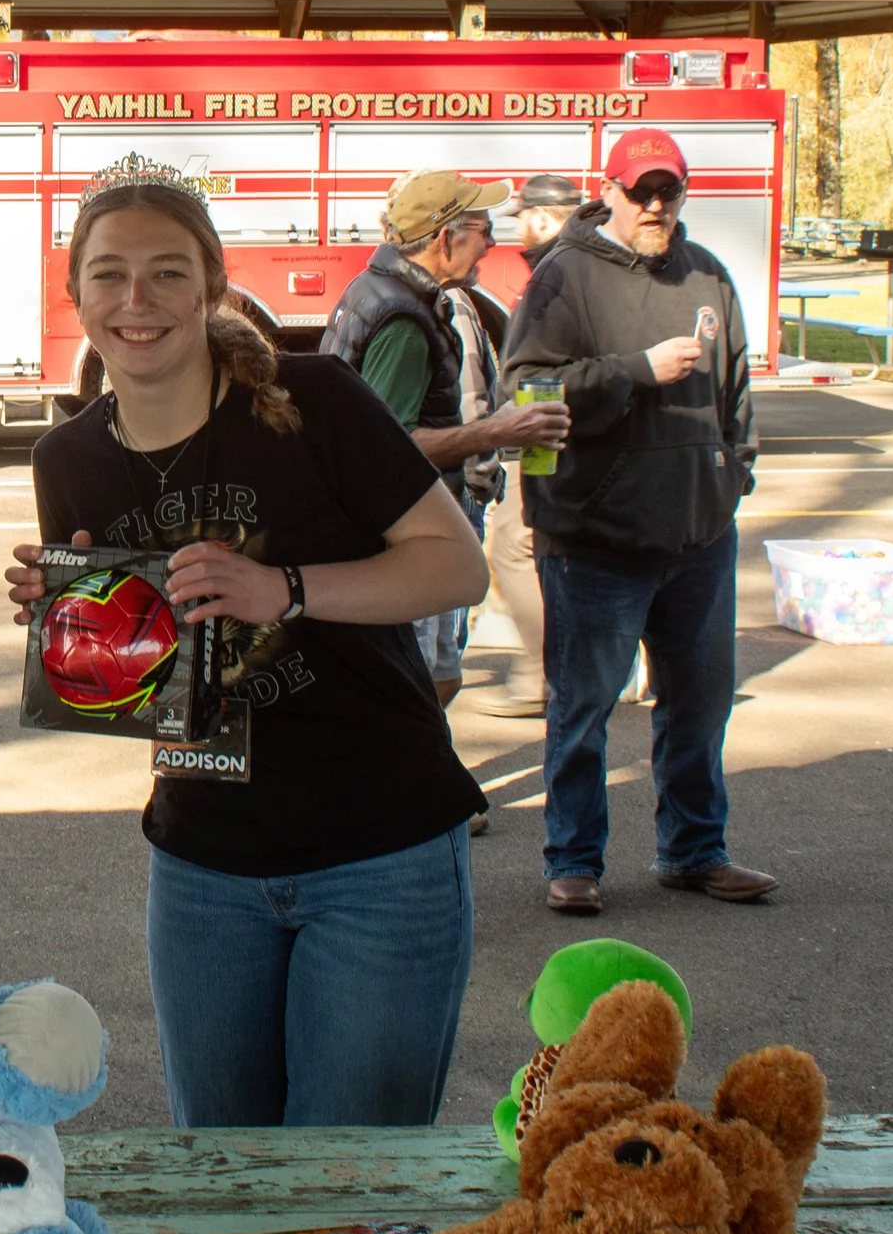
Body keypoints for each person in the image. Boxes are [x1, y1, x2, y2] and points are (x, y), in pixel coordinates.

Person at [8, 163, 489, 1129]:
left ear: (214, 284)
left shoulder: (314, 399)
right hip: (203, 862)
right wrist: (74, 629)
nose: (135, 301)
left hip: (379, 850)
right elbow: (147, 680)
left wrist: (286, 589)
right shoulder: (68, 458)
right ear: (75, 295)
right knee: (220, 1174)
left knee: (346, 1183)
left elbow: (456, 567)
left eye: (167, 273)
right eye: (108, 275)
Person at [499, 128, 772, 918]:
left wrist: (731, 477)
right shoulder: (563, 279)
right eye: (640, 191)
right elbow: (527, 391)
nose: (655, 206)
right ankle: (574, 860)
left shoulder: (708, 276)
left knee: (698, 704)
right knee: (581, 709)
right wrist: (634, 369)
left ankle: (694, 850)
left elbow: (737, 394)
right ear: (610, 190)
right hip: (594, 541)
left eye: (668, 191)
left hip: (698, 538)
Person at [321, 171, 570, 709]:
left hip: (392, 534)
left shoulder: (380, 290)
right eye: (482, 228)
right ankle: (408, 787)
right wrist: (500, 431)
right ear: (443, 238)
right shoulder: (403, 319)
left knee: (435, 679)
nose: (493, 242)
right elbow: (391, 451)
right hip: (409, 537)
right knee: (420, 685)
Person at [468, 174, 585, 719]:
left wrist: (518, 445)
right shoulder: (591, 261)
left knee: (512, 547)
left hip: (549, 438)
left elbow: (543, 374)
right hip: (568, 437)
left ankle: (545, 676)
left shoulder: (558, 272)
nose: (510, 231)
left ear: (543, 217)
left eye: (519, 218)